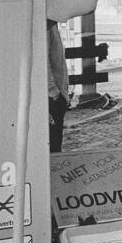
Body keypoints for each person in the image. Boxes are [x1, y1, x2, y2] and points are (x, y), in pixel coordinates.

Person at [46, 19, 69, 154]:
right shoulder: (45, 25)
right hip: (51, 97)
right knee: (53, 147)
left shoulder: (50, 25)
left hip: (54, 94)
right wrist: (54, 92)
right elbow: (42, 61)